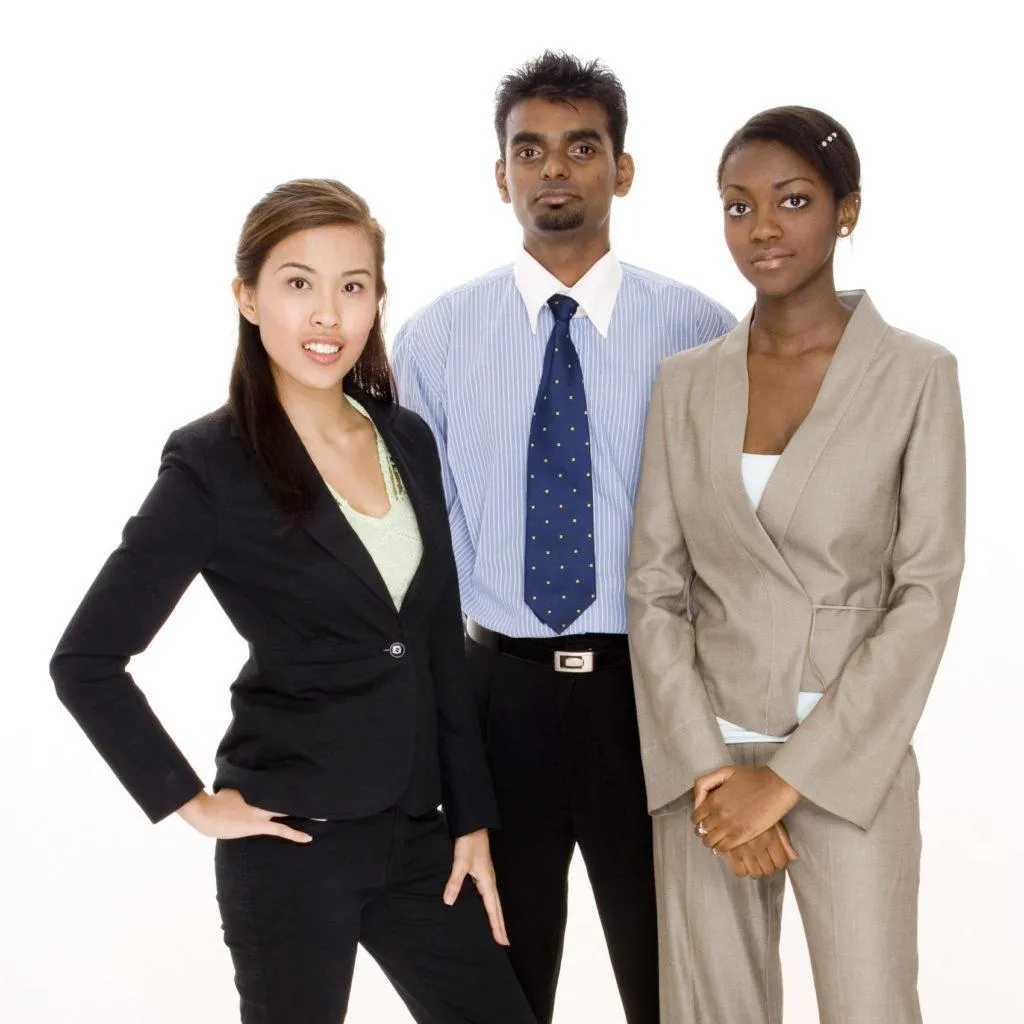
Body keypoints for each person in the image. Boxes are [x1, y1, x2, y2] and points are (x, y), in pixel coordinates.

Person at [49, 179, 537, 1024]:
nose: (328, 315)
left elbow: (434, 644)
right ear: (247, 297)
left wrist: (471, 822)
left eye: (353, 286)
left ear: (378, 300)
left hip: (420, 835)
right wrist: (191, 802)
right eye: (298, 283)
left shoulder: (405, 437)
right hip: (290, 841)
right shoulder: (210, 463)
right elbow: (86, 661)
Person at [391, 52, 735, 1024]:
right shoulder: (435, 341)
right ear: (499, 173)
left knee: (673, 986)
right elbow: (414, 552)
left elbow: (733, 532)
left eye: (581, 148)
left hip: (652, 696)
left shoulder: (700, 330)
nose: (553, 168)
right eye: (529, 150)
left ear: (621, 169)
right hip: (496, 699)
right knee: (499, 988)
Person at [627, 106, 966, 1024]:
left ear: (846, 211)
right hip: (704, 763)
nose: (763, 227)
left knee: (871, 1007)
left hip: (848, 760)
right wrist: (710, 772)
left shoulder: (916, 375)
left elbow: (925, 594)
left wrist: (785, 782)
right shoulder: (686, 381)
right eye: (738, 206)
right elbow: (654, 588)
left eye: (793, 200)